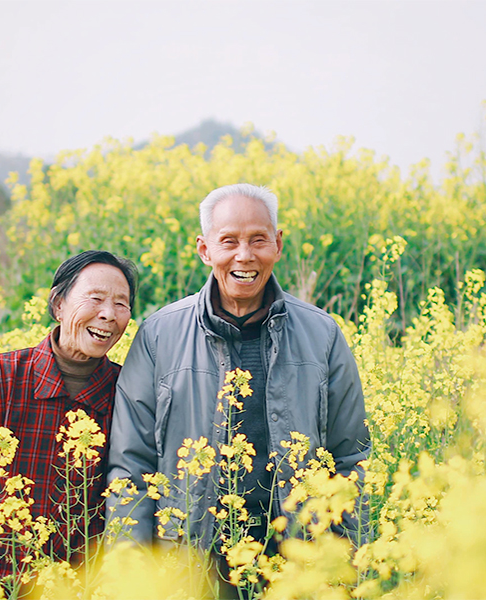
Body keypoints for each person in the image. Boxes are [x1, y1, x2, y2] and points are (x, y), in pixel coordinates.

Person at [106, 184, 370, 565]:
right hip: (191, 562)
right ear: (204, 249)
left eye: (258, 240)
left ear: (278, 245)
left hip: (298, 561)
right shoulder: (159, 335)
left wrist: (340, 563)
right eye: (228, 241)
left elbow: (352, 459)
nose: (244, 256)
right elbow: (131, 466)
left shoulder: (322, 334)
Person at [0, 250, 138, 596]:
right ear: (58, 305)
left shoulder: (128, 390)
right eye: (96, 299)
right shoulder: (0, 378)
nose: (108, 314)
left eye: (121, 304)